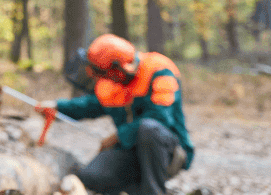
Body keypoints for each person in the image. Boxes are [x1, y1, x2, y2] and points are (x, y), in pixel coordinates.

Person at [36, 34, 193, 195]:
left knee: (149, 129)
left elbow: (160, 118)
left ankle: (153, 191)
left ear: (117, 70)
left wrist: (117, 136)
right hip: (131, 152)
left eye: (100, 73)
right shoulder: (113, 83)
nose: (97, 77)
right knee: (91, 175)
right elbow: (91, 105)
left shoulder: (160, 71)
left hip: (170, 153)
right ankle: (137, 190)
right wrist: (58, 107)